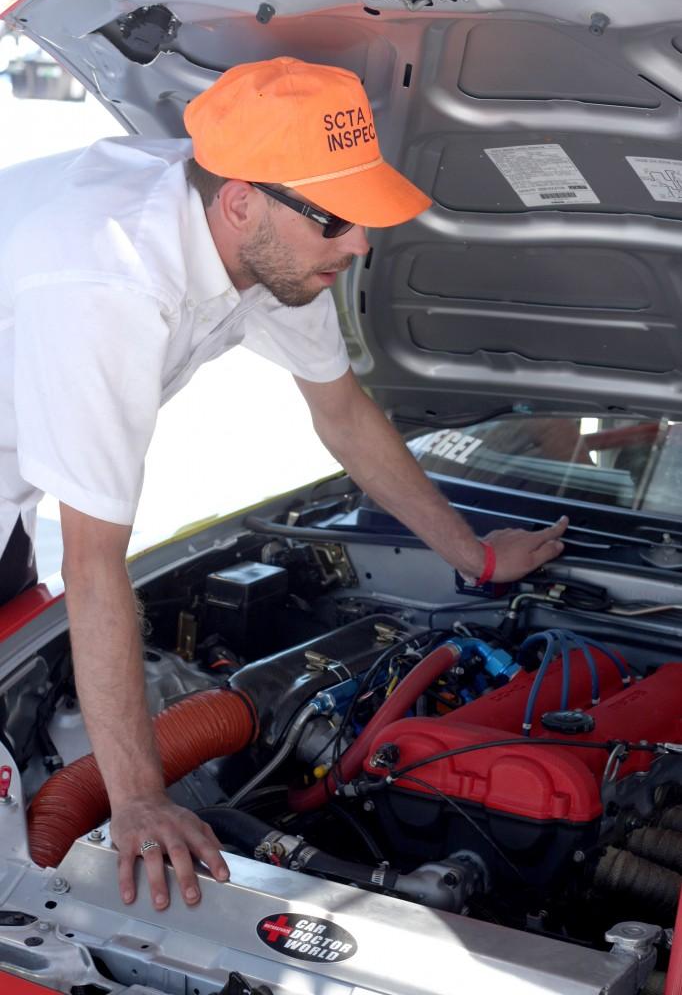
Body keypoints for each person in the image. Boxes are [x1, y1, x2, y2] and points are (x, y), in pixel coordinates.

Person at [0, 56, 568, 911]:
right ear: (240, 202)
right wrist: (139, 800)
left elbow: (340, 410)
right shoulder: (109, 282)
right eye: (340, 221)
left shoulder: (268, 233)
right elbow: (92, 563)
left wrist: (475, 557)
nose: (362, 243)